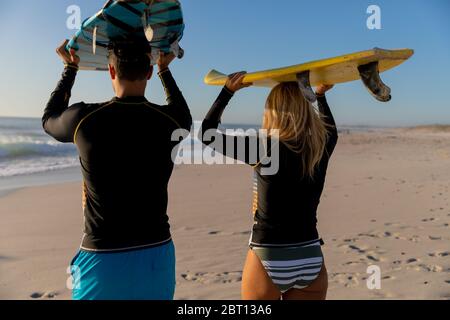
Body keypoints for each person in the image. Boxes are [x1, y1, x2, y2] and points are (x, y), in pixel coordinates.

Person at [43, 40, 192, 300]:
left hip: (102, 259)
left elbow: (49, 119)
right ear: (148, 73)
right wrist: (164, 70)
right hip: (156, 255)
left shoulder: (83, 120)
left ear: (111, 71)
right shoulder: (171, 122)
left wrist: (70, 69)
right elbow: (183, 113)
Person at [199, 72, 338, 300]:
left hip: (269, 255)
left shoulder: (264, 149)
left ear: (272, 110)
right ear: (304, 108)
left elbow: (207, 135)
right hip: (310, 255)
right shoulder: (319, 148)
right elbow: (331, 132)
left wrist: (227, 92)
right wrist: (320, 97)